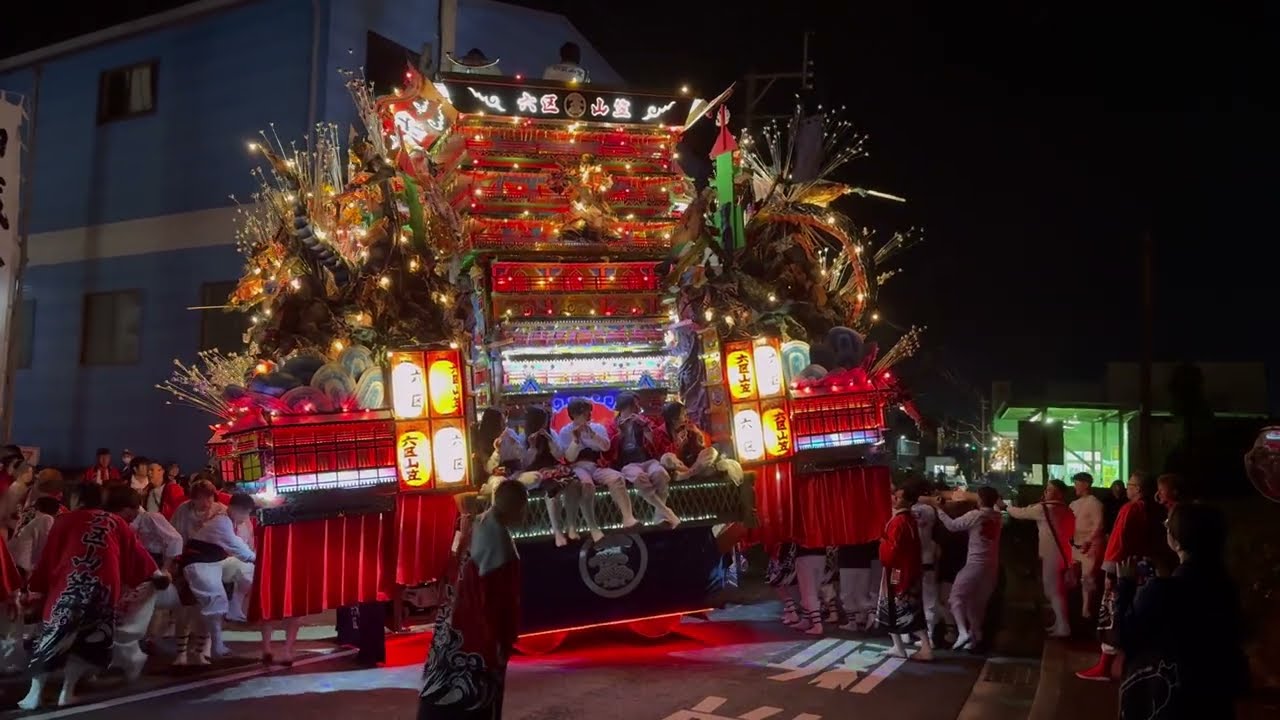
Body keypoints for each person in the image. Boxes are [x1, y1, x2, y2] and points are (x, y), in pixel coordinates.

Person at [19, 498, 160, 709]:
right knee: (86, 643)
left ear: (78, 500)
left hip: (69, 584)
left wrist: (37, 587)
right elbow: (136, 553)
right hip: (101, 587)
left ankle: (34, 694)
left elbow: (50, 555)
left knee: (52, 638)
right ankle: (67, 692)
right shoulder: (116, 522)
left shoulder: (65, 519)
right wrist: (156, 574)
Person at [1113, 503, 1249, 718]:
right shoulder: (1227, 586)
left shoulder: (1162, 590)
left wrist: (1125, 586)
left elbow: (1123, 635)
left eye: (1168, 524)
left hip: (1169, 699)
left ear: (1177, 539)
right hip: (1215, 700)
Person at [419, 479, 528, 719]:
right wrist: (501, 641)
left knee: (442, 684)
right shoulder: (499, 541)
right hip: (477, 636)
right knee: (474, 697)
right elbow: (496, 600)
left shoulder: (476, 524)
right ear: (516, 507)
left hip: (451, 628)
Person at [1077, 471, 1165, 681]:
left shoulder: (1130, 509)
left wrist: (1109, 571)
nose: (1127, 488)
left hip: (1124, 568)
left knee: (1112, 616)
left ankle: (1105, 667)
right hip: (1146, 569)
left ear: (1139, 488)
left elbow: (1118, 541)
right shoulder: (1155, 510)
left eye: (1131, 484)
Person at [170, 482, 256, 665]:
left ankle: (234, 608)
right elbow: (237, 545)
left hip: (215, 562)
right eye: (245, 513)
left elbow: (240, 547)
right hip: (196, 564)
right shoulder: (221, 520)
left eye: (209, 497)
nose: (207, 503)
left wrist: (254, 559)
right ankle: (216, 646)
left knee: (245, 569)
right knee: (215, 601)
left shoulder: (224, 514)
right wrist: (257, 558)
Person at [934, 486, 1003, 651]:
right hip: (992, 565)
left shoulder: (975, 515)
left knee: (955, 599)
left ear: (979, 500)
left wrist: (939, 509)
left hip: (974, 564)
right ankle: (975, 636)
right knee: (977, 604)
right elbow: (997, 504)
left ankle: (962, 632)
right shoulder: (997, 515)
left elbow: (952, 525)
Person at [1004, 479, 1075, 637]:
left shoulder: (1045, 509)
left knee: (1053, 591)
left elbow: (1020, 513)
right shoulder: (1067, 509)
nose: (1045, 492)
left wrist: (1006, 507)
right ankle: (1060, 623)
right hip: (1064, 553)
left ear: (1058, 493)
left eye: (1049, 489)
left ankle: (1063, 626)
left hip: (1051, 554)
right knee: (1059, 590)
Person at [878, 485, 934, 660]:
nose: (895, 498)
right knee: (906, 609)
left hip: (896, 571)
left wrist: (882, 542)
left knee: (899, 608)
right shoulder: (909, 520)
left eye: (899, 496)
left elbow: (892, 552)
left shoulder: (898, 522)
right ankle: (904, 646)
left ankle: (915, 647)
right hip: (908, 570)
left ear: (908, 500)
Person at [610, 392, 680, 527]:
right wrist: (621, 433)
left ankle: (659, 516)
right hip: (628, 464)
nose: (639, 407)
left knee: (661, 475)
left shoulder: (644, 421)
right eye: (636, 404)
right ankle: (667, 512)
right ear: (628, 406)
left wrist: (645, 427)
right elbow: (608, 450)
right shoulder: (612, 425)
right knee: (640, 478)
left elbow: (655, 443)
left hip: (648, 461)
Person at [557, 397, 622, 540]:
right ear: (574, 414)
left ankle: (626, 518)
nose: (589, 415)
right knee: (586, 485)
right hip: (577, 467)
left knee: (617, 477)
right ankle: (592, 527)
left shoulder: (597, 427)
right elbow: (569, 458)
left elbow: (606, 447)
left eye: (589, 412)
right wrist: (576, 440)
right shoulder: (565, 431)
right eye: (586, 412)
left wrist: (592, 435)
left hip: (596, 466)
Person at [910, 480, 943, 642]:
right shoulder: (930, 510)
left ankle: (908, 632)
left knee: (908, 596)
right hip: (928, 558)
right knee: (930, 597)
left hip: (910, 560)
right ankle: (929, 633)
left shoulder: (907, 511)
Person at [1070, 472, 1106, 619]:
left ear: (1085, 484)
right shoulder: (1073, 504)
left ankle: (1087, 608)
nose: (1075, 486)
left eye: (1077, 483)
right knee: (1073, 575)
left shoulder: (1095, 503)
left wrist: (1089, 540)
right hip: (1076, 545)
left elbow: (1099, 525)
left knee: (1087, 578)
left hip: (1090, 547)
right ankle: (1075, 605)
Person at [7, 496, 60, 574]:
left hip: (14, 558)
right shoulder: (46, 519)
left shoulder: (35, 517)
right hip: (22, 563)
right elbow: (43, 544)